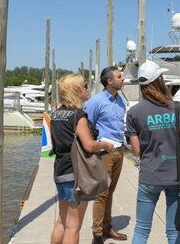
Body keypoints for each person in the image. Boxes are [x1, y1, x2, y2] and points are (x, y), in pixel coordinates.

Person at [125, 60, 180, 244]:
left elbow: (137, 150)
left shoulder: (134, 112)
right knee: (173, 232)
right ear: (160, 80)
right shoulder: (177, 107)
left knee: (141, 230)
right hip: (176, 176)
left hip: (150, 176)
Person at [50, 73, 116, 244]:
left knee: (61, 221)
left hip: (60, 170)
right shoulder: (78, 115)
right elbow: (89, 145)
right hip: (76, 174)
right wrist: (104, 145)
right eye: (85, 86)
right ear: (77, 89)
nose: (87, 89)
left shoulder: (57, 114)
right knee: (74, 225)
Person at [85, 66, 127, 244]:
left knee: (111, 192)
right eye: (119, 76)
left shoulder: (121, 101)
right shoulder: (96, 102)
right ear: (110, 81)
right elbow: (87, 127)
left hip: (119, 151)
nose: (123, 79)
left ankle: (108, 227)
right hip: (104, 153)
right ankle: (97, 234)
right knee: (102, 193)